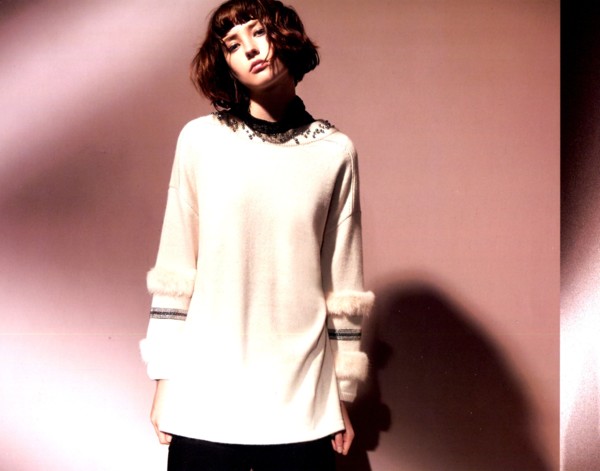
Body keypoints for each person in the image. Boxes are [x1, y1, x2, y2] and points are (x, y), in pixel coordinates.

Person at [140, 1, 373, 469]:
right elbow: (175, 269)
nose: (249, 49)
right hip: (206, 398)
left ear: (285, 37)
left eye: (259, 32)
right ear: (224, 64)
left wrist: (340, 395)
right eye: (232, 44)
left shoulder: (335, 153)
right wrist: (164, 380)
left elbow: (342, 284)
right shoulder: (200, 141)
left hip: (303, 404)